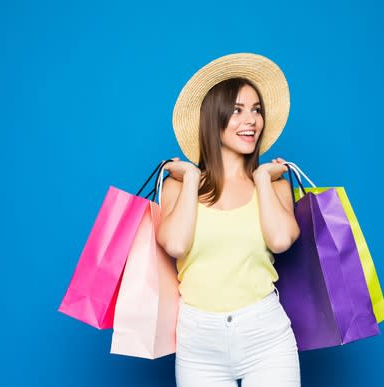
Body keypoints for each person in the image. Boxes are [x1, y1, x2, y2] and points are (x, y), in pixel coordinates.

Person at [157, 53, 301, 387]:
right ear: (213, 117)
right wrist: (192, 179)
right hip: (198, 343)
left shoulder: (276, 185)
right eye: (237, 110)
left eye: (256, 110)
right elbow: (176, 244)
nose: (251, 120)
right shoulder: (178, 187)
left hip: (266, 336)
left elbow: (280, 240)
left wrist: (263, 179)